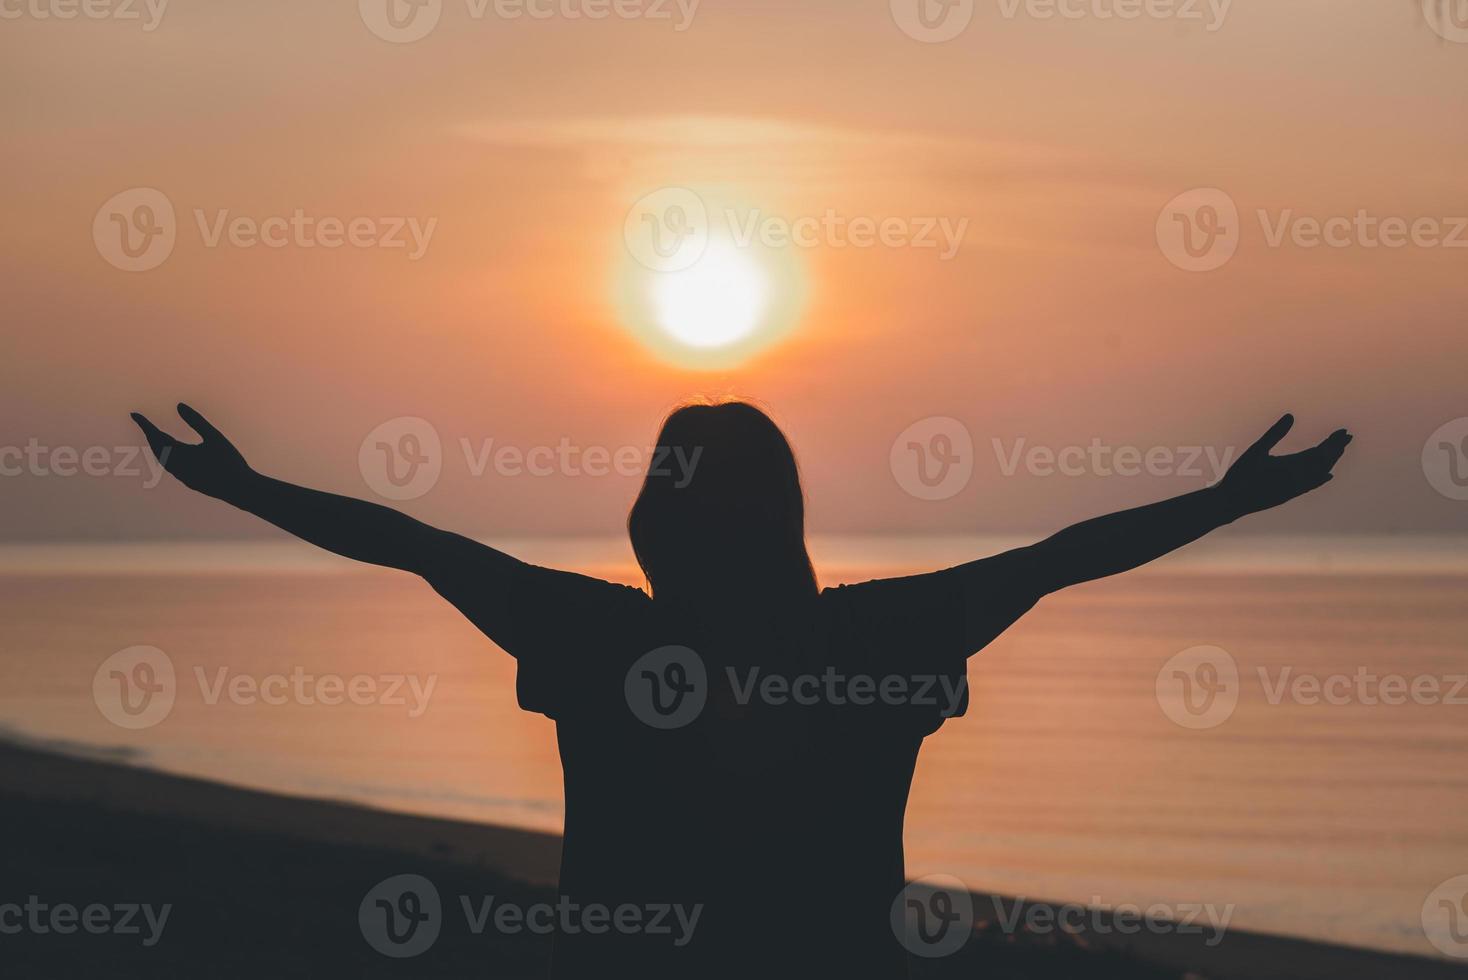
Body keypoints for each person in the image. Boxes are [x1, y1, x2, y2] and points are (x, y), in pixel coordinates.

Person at [131, 401, 1350, 978]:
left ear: (653, 516)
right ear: (787, 516)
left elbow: (416, 543)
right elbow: (1061, 557)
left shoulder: (594, 631)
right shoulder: (882, 630)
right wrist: (1223, 501)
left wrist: (244, 489)